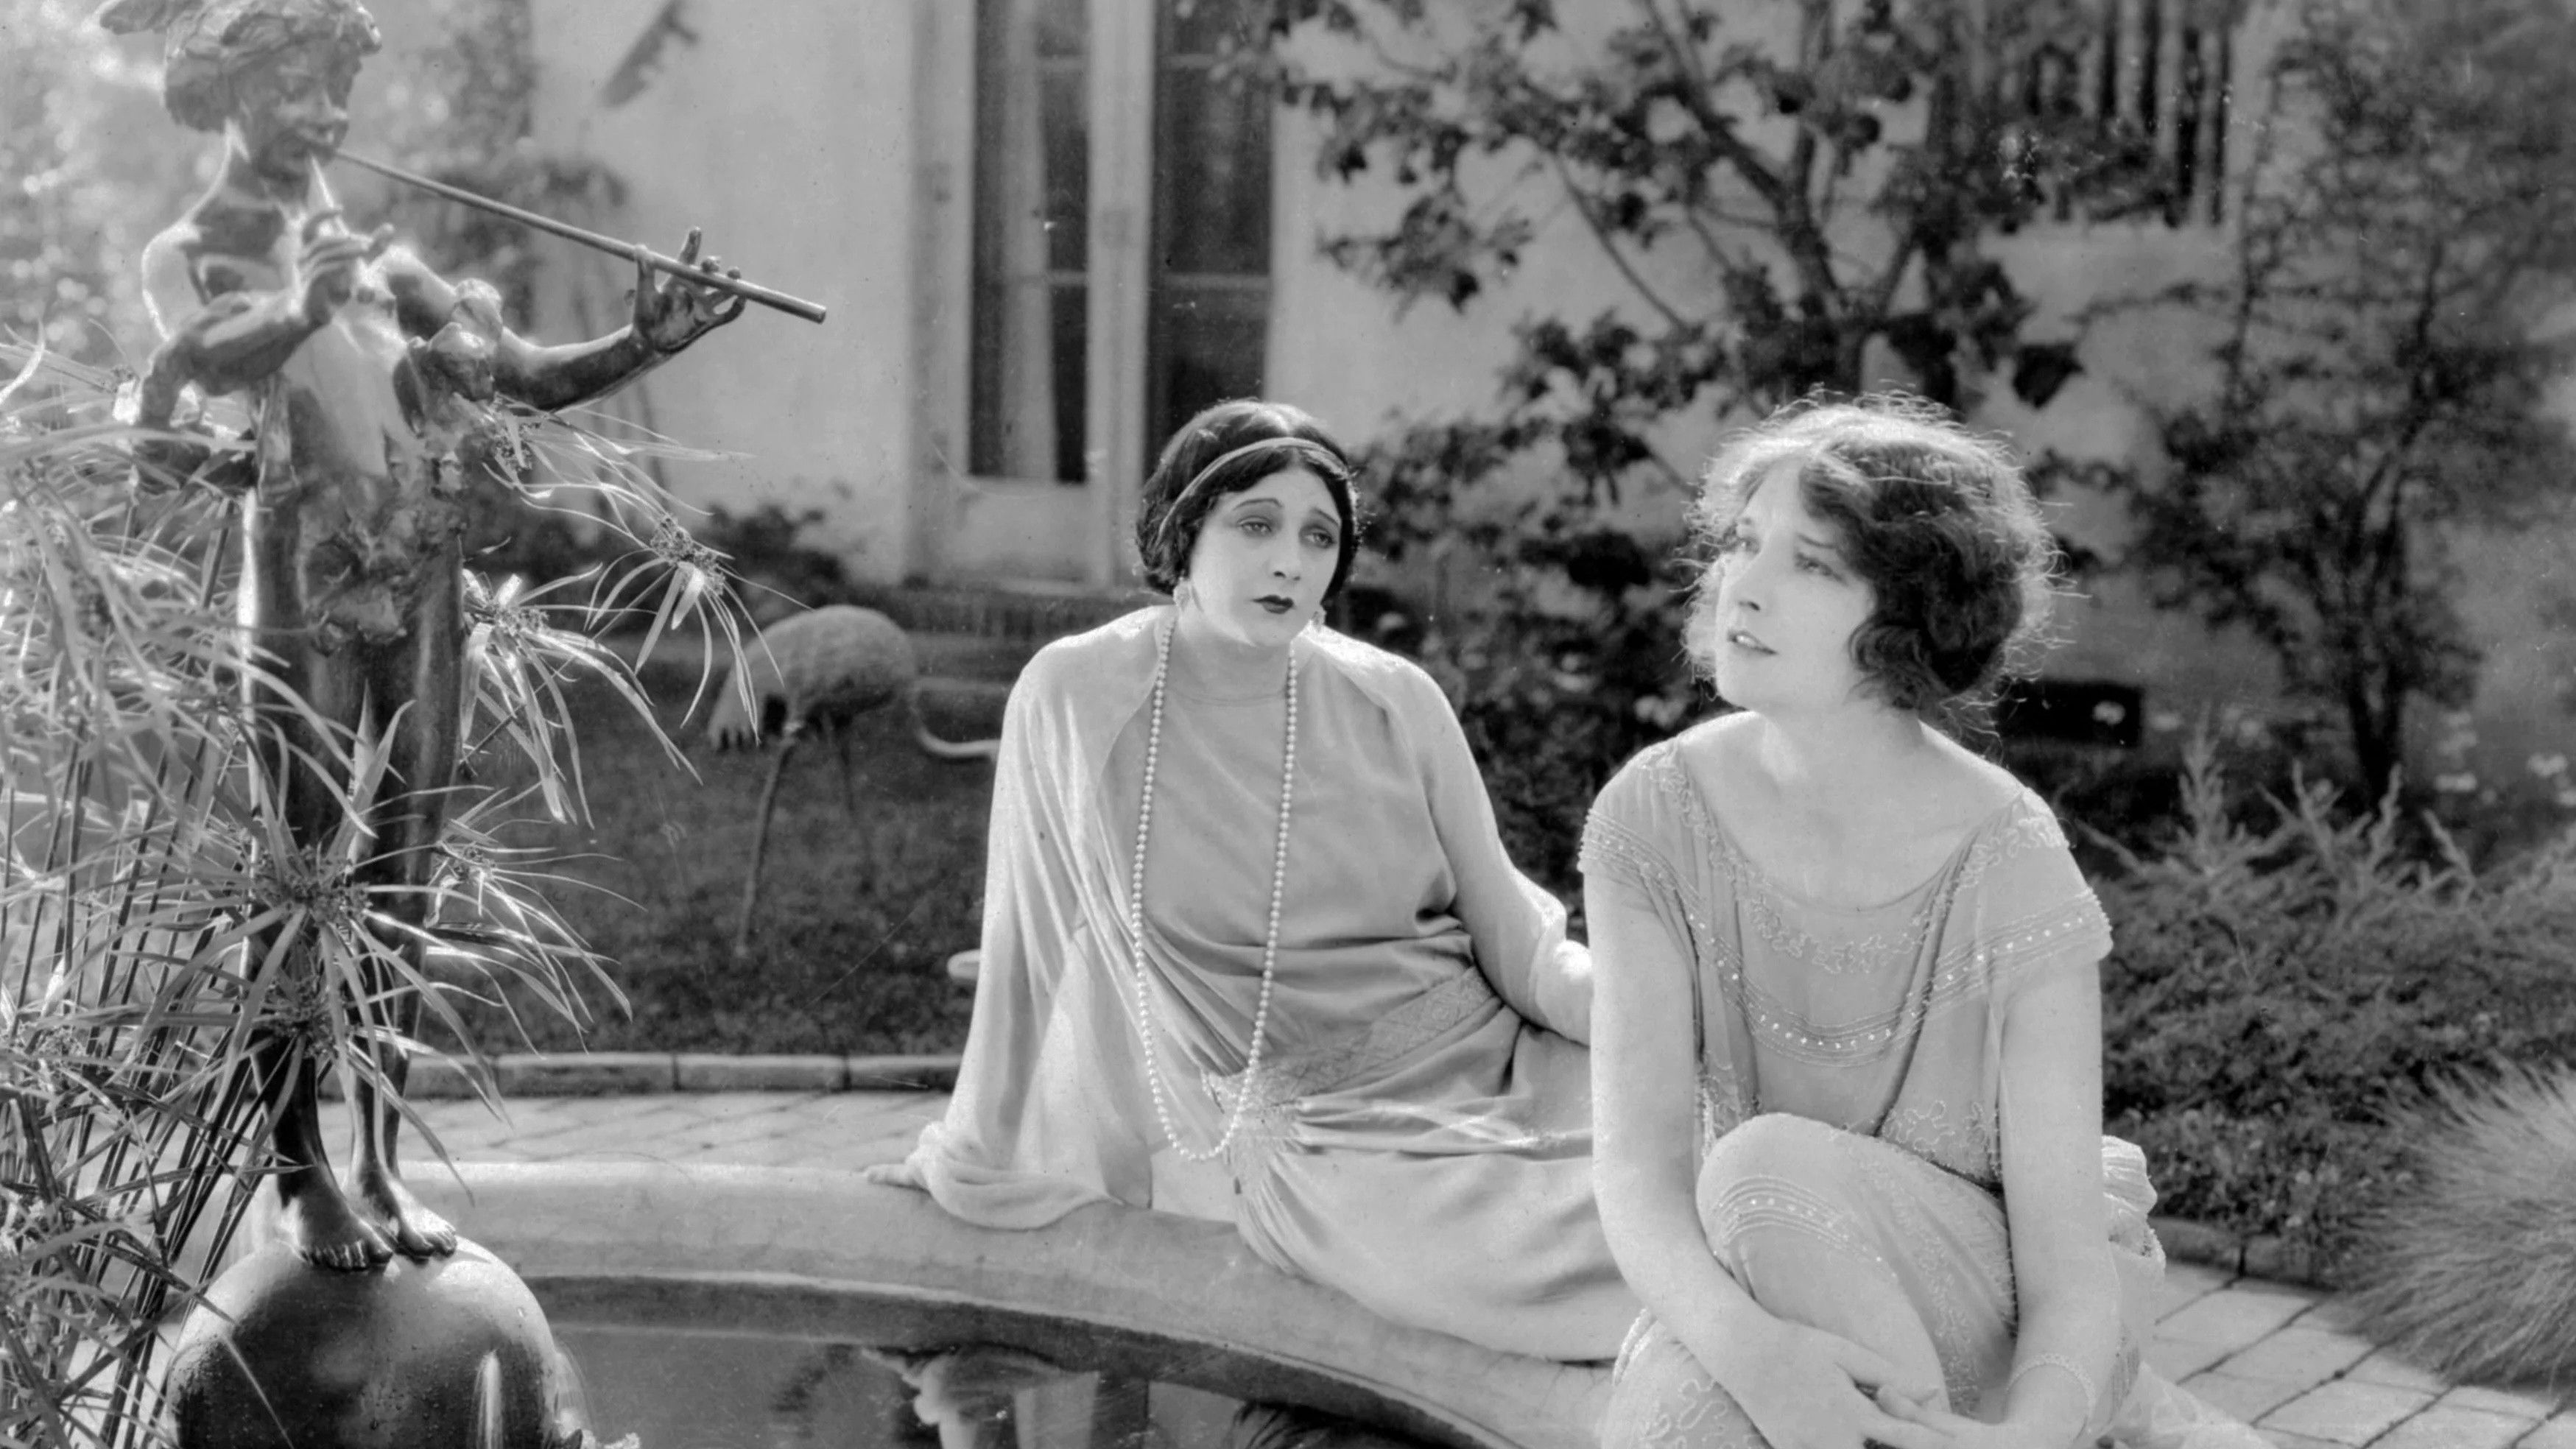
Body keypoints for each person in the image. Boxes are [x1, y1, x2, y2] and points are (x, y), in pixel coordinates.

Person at [104, 0, 745, 1269]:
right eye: (298, 86)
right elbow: (194, 373)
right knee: (300, 886)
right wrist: (300, 306)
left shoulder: (386, 267)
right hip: (302, 588)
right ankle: (299, 1173)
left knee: (406, 876)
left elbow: (521, 371)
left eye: (337, 87)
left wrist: (642, 340)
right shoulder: (191, 253)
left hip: (424, 580)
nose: (327, 114)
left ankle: (380, 1162)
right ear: (230, 93)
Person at [871, 399, 1638, 1362]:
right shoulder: (1076, 694)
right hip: (1327, 1143)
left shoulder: (1392, 697)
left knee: (1700, 1162)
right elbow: (1027, 950)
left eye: (1319, 537)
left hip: (1503, 1063)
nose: (1289, 563)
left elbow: (1518, 943)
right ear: (1182, 534)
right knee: (1578, 1246)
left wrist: (1640, 1018)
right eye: (1256, 525)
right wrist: (973, 1154)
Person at [1581, 396, 2264, 1448]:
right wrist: (1763, 1363)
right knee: (1671, 1428)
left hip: (1995, 1312)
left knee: (1764, 1170)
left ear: (1908, 618)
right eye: (1744, 543)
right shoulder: (1649, 817)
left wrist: (2029, 1435)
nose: (1742, 587)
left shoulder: (2009, 858)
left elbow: (2063, 1270)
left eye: (1813, 565)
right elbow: (1637, 1178)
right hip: (1770, 1278)